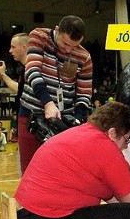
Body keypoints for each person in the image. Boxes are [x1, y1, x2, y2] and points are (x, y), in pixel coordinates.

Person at [17, 16, 93, 174]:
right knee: (30, 170)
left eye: (75, 45)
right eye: (65, 43)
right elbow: (32, 71)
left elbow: (85, 93)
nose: (68, 50)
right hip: (30, 115)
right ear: (57, 30)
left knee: (57, 172)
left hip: (61, 123)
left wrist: (77, 119)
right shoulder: (40, 37)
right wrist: (48, 103)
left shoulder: (84, 57)